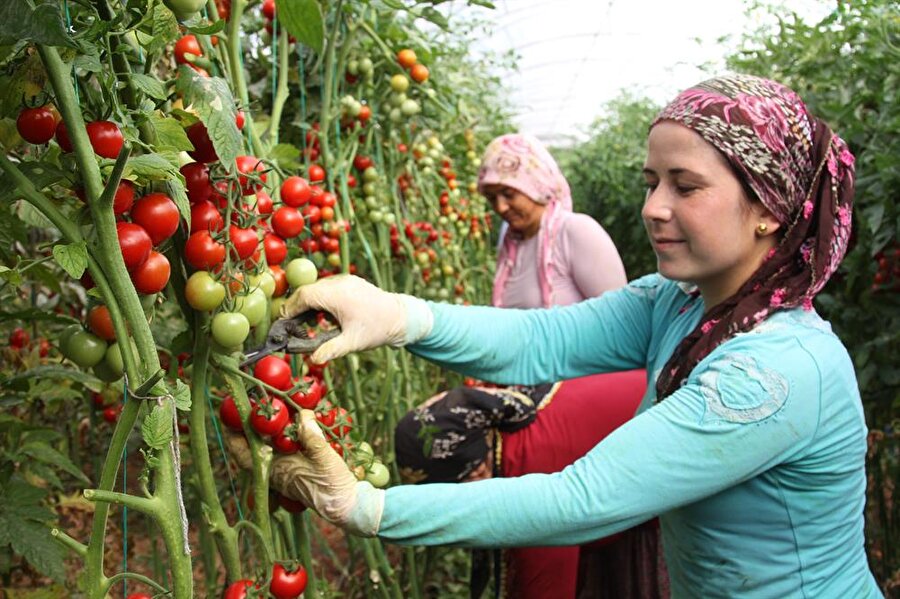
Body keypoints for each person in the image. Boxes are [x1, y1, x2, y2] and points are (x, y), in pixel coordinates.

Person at [253, 74, 882, 597]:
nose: (653, 207)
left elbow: (581, 499)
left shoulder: (772, 373)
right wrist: (396, 315)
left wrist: (367, 509)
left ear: (769, 207)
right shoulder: (680, 306)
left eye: (685, 186)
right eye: (651, 182)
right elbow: (541, 340)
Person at [394, 133, 654, 598]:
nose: (499, 206)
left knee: (567, 528)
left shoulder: (577, 232)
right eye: (491, 196)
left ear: (536, 183)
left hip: (579, 409)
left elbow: (623, 337)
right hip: (530, 408)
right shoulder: (510, 242)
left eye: (507, 192)